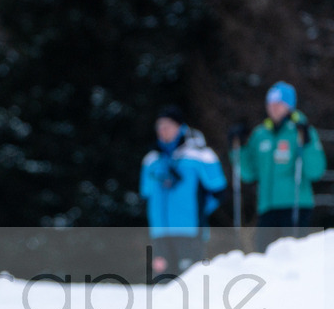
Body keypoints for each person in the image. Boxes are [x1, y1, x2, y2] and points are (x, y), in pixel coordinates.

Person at [230, 81, 328, 252]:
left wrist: (307, 144)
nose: (274, 108)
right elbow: (248, 174)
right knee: (265, 257)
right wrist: (239, 150)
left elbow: (315, 171)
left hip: (295, 206)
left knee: (292, 256)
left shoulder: (301, 131)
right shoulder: (260, 134)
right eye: (271, 103)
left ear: (289, 106)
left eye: (279, 103)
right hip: (266, 207)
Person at [139, 105, 227, 279]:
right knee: (162, 283)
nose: (163, 130)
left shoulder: (200, 155)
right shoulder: (151, 160)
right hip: (160, 233)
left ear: (180, 127)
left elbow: (219, 191)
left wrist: (199, 212)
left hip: (190, 232)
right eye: (160, 126)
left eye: (168, 125)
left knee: (190, 281)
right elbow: (146, 194)